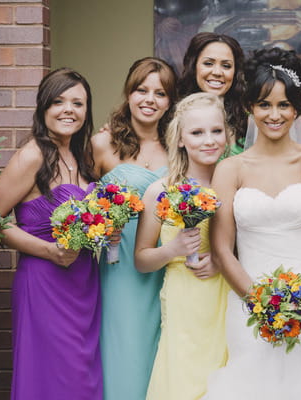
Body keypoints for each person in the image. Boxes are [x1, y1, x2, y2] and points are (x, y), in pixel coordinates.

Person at [202, 47, 301, 400]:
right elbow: (221, 247)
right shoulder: (230, 168)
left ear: (296, 109)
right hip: (248, 301)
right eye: (264, 104)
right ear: (250, 107)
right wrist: (260, 303)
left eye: (283, 105)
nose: (274, 115)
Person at [0, 68, 102, 399]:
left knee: (82, 375)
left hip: (84, 284)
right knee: (53, 376)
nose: (69, 110)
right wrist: (48, 251)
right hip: (44, 282)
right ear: (43, 107)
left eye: (78, 103)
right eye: (59, 101)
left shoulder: (82, 156)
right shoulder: (32, 155)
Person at [90, 57, 177, 400]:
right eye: (142, 90)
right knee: (124, 349)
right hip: (119, 264)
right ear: (128, 93)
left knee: (163, 354)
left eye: (160, 93)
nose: (149, 99)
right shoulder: (102, 144)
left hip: (168, 263)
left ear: (170, 102)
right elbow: (78, 205)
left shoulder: (178, 146)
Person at [134, 92, 230, 400]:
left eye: (216, 131)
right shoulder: (159, 191)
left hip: (226, 295)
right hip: (183, 298)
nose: (209, 140)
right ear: (180, 139)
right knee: (183, 376)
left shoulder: (235, 186)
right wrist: (172, 249)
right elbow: (141, 259)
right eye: (197, 133)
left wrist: (221, 258)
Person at [178, 32, 247, 155]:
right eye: (208, 63)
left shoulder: (248, 118)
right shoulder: (176, 116)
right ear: (194, 66)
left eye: (226, 66)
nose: (217, 72)